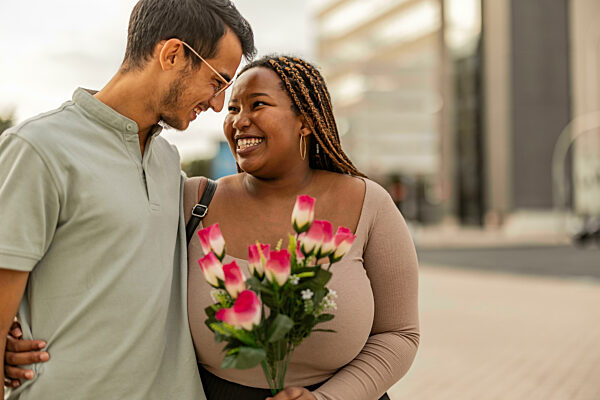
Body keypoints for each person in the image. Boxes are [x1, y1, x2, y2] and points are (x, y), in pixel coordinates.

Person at [6, 55, 419, 399]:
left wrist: (330, 399)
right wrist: (13, 331)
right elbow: (96, 252)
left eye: (257, 105)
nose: (237, 119)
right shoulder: (192, 200)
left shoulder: (370, 204)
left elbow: (399, 334)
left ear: (306, 122)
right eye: (234, 107)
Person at [0, 0, 255, 399]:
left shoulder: (169, 163)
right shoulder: (37, 148)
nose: (217, 103)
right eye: (217, 81)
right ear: (172, 54)